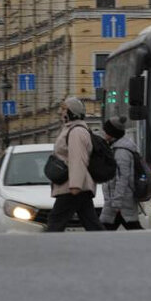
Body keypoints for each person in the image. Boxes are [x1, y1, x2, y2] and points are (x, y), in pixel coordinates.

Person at [44, 96, 104, 232]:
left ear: (72, 112)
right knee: (92, 224)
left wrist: (75, 185)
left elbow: (78, 159)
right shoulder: (71, 129)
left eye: (64, 109)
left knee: (55, 221)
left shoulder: (76, 131)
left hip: (72, 186)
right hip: (77, 186)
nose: (60, 112)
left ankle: (49, 244)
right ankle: (106, 242)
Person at [100, 116, 144, 230]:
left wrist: (117, 201)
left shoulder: (121, 152)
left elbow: (122, 178)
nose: (104, 133)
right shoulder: (116, 148)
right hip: (118, 200)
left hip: (120, 201)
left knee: (104, 231)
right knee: (131, 228)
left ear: (112, 133)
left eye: (106, 131)